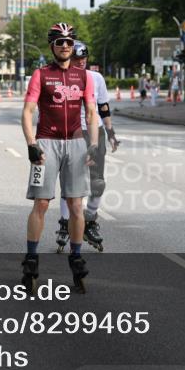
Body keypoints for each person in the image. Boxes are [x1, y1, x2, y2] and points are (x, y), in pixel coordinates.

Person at [21, 23, 99, 294]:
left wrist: (94, 144)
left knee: (76, 205)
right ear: (52, 45)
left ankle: (76, 257)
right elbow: (28, 111)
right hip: (46, 145)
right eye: (59, 42)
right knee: (41, 203)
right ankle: (31, 258)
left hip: (76, 144)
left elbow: (91, 112)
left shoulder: (84, 76)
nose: (65, 46)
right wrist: (31, 144)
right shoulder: (41, 75)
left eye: (69, 42)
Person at [56, 41, 120, 253]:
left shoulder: (96, 78)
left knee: (98, 182)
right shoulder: (61, 78)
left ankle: (90, 221)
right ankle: (66, 222)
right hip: (71, 132)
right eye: (77, 59)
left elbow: (103, 107)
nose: (81, 63)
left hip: (96, 131)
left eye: (84, 59)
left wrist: (110, 132)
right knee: (70, 182)